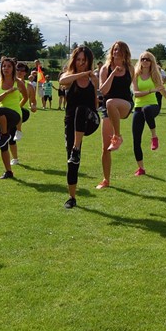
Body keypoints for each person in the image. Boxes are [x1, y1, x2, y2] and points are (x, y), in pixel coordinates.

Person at [131, 50, 166, 177]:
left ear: (151, 62)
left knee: (147, 109)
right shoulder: (136, 75)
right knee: (136, 140)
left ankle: (154, 137)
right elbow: (136, 93)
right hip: (138, 107)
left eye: (147, 59)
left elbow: (164, 92)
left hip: (152, 106)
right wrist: (152, 90)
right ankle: (141, 168)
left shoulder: (155, 75)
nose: (145, 61)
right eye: (143, 59)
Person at [60, 45, 100, 209]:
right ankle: (72, 197)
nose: (82, 63)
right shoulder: (69, 77)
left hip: (90, 120)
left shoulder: (93, 79)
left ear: (89, 61)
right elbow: (62, 81)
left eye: (84, 60)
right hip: (72, 123)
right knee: (71, 161)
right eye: (78, 60)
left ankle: (76, 148)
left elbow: (97, 99)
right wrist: (82, 74)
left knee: (82, 110)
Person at [97, 41, 135, 190]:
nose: (117, 52)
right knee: (105, 148)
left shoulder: (130, 68)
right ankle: (106, 180)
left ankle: (117, 136)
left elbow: (131, 86)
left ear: (125, 53)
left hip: (125, 105)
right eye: (115, 49)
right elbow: (103, 91)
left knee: (112, 102)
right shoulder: (105, 69)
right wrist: (113, 73)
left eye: (120, 50)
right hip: (108, 109)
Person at [0, 57, 26, 180]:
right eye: (4, 66)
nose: (6, 68)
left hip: (15, 115)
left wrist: (19, 108)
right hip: (2, 118)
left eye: (9, 66)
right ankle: (8, 172)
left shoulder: (19, 82)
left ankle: (5, 135)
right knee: (2, 146)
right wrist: (6, 93)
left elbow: (25, 97)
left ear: (13, 68)